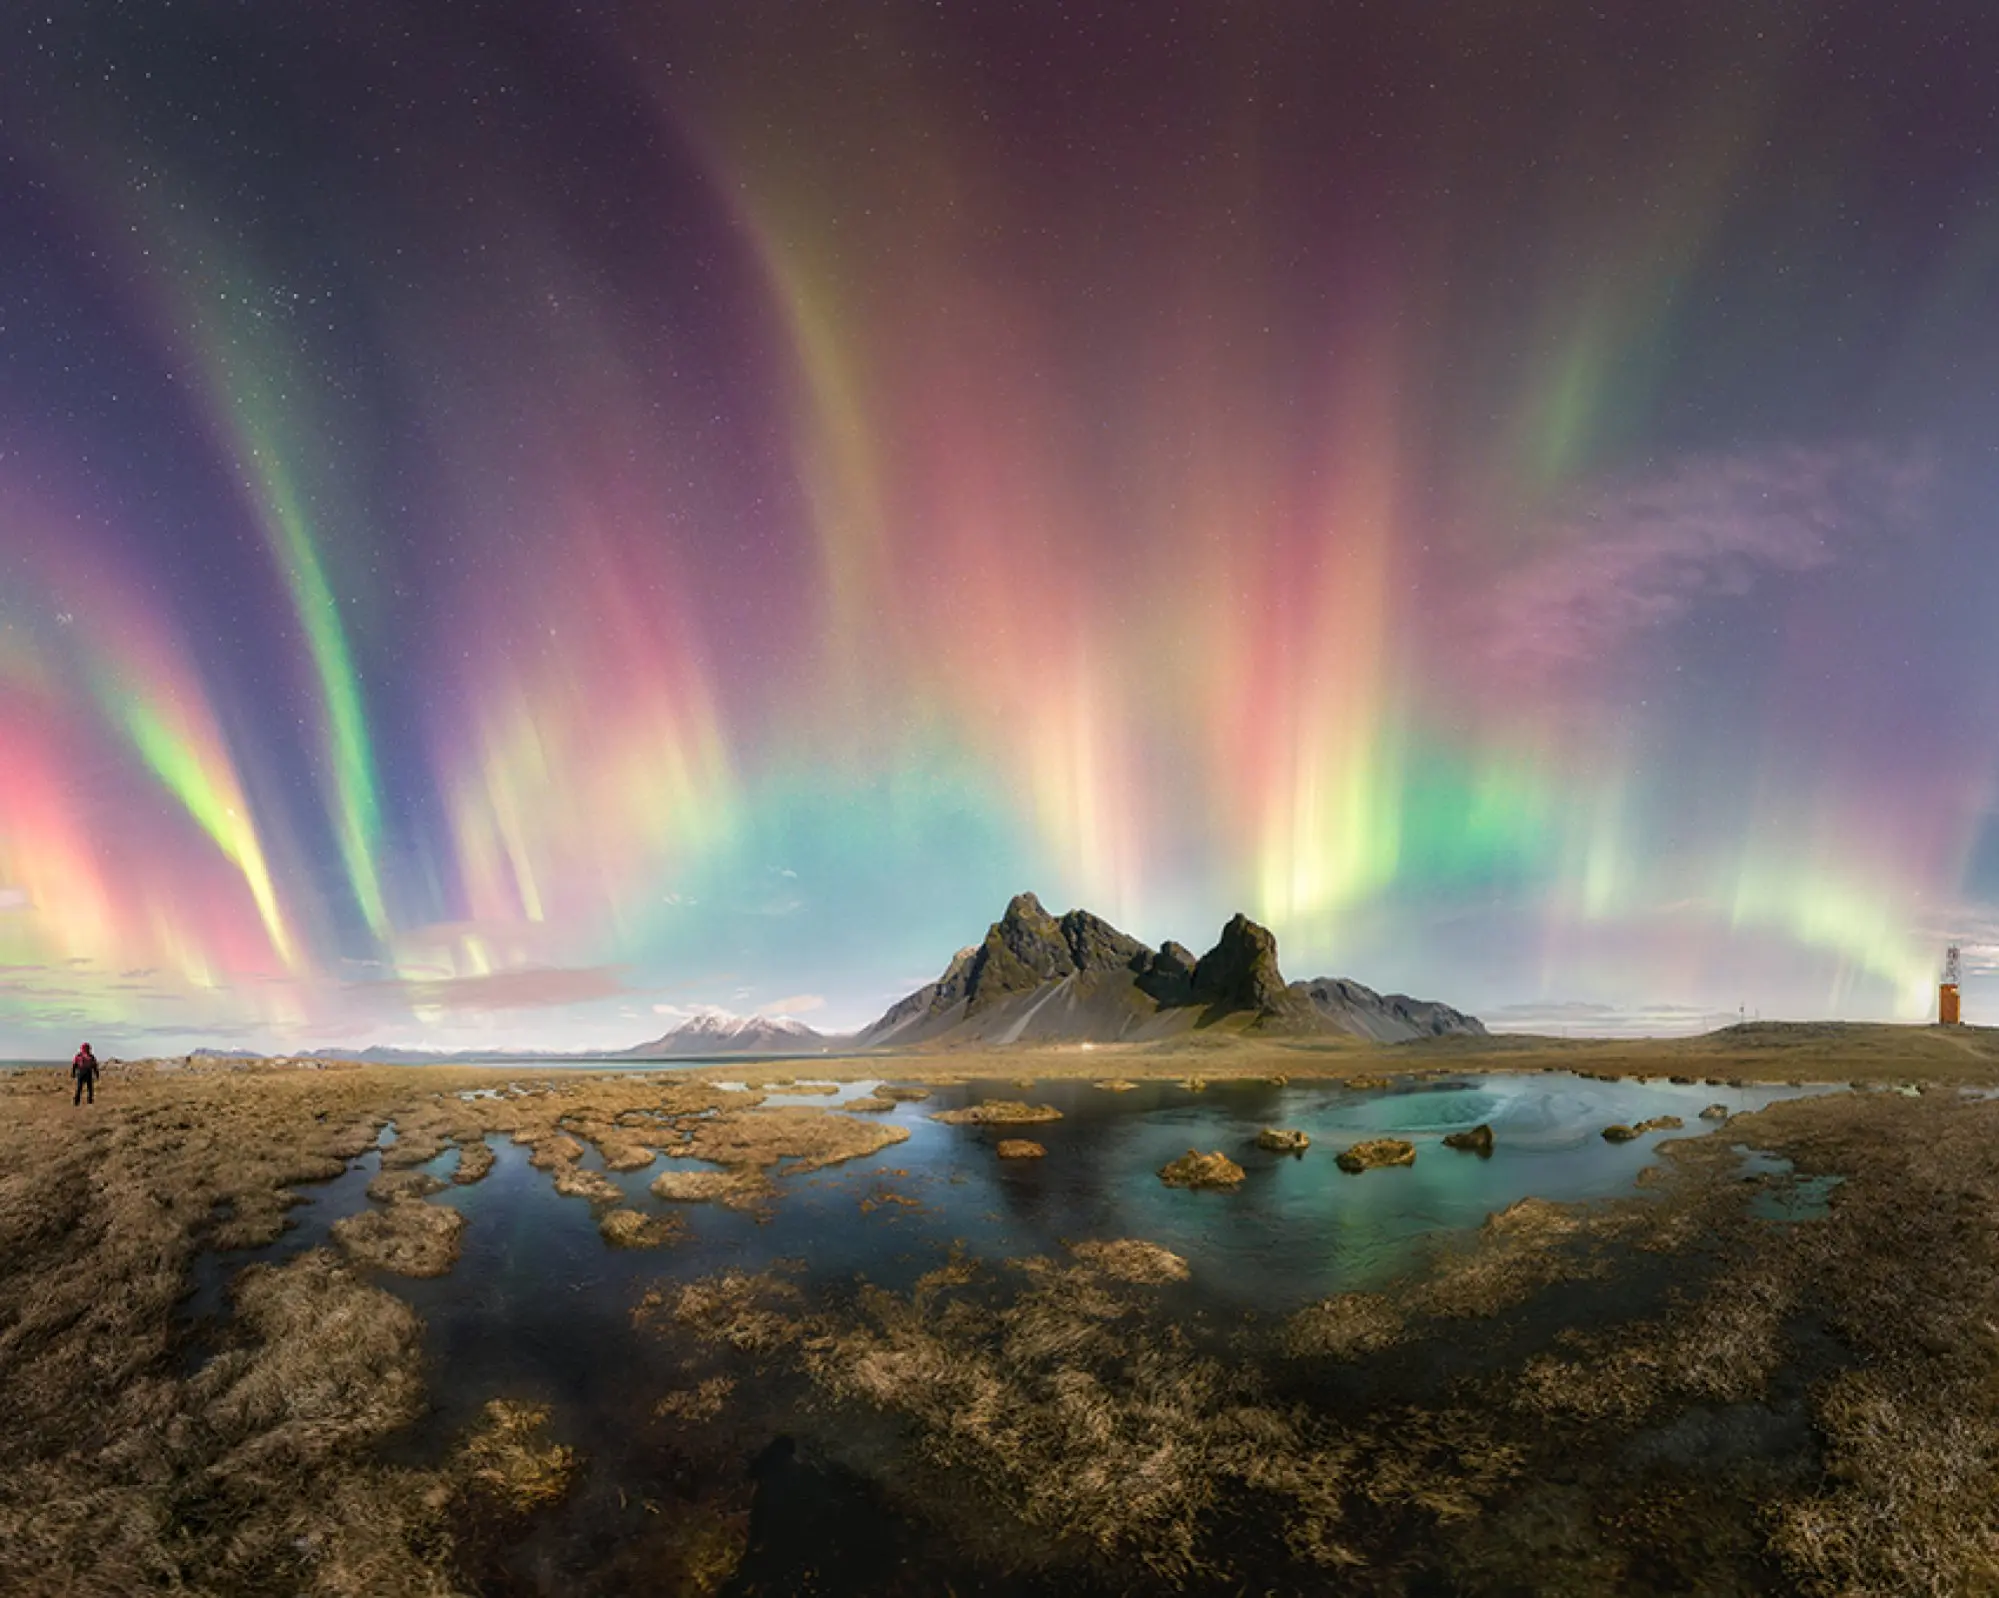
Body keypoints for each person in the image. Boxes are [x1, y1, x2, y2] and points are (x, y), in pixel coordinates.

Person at [71, 1042, 99, 1106]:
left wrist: (73, 1073)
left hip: (82, 1072)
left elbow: (74, 1065)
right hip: (86, 1072)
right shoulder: (90, 1056)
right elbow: (94, 1066)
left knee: (81, 1088)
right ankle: (87, 1102)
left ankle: (78, 1102)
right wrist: (96, 1074)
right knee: (88, 1088)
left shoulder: (79, 1055)